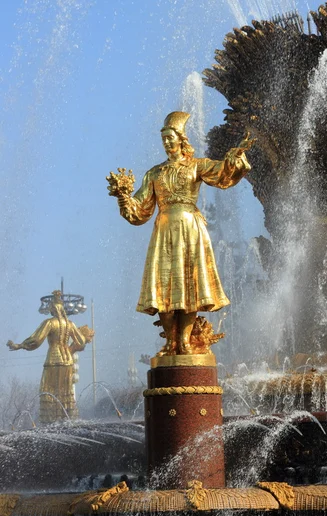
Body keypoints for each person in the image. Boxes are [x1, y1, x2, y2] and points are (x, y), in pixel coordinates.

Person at [107, 111, 253, 355]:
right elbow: (140, 211)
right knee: (164, 287)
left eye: (170, 137)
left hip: (190, 229)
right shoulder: (154, 173)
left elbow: (222, 174)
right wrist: (123, 197)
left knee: (189, 287)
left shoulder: (196, 166)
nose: (166, 142)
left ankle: (184, 342)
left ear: (181, 139)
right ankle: (170, 342)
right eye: (163, 138)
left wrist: (235, 155)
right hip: (164, 230)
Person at [7, 291, 94, 423]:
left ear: (53, 308)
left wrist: (20, 345)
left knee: (48, 390)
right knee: (65, 390)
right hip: (67, 361)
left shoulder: (50, 323)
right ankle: (66, 418)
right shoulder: (70, 324)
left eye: (51, 307)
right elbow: (81, 342)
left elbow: (36, 340)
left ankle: (51, 420)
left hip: (53, 360)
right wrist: (70, 350)